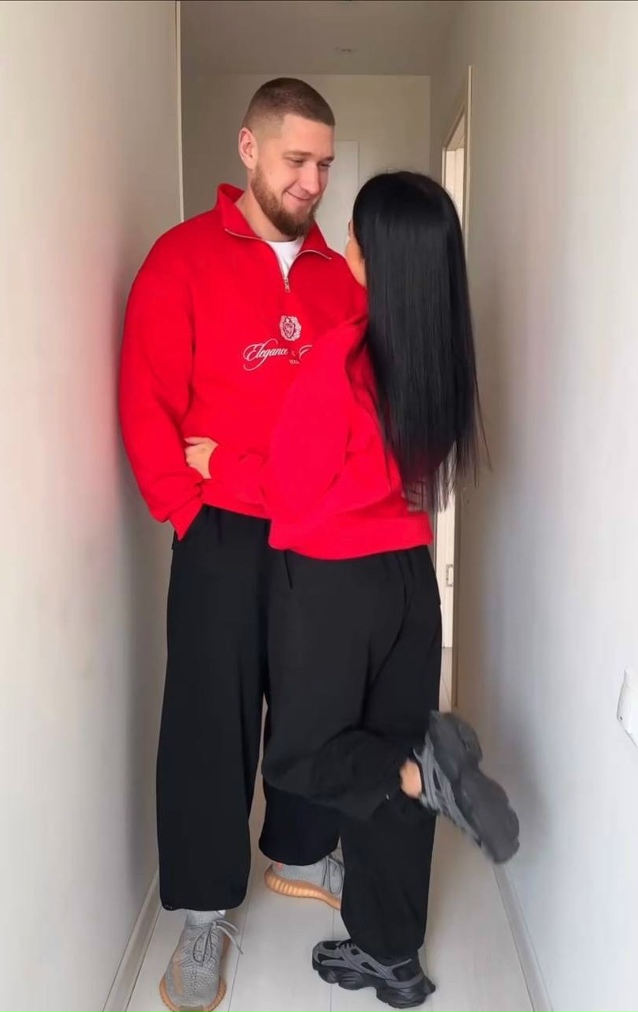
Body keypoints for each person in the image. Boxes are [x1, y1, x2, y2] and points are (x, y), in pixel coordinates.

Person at [186, 171, 520, 1008]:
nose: (343, 245)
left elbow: (289, 494)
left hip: (333, 589)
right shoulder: (442, 361)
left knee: (306, 757)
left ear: (376, 258)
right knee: (383, 763)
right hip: (410, 583)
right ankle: (390, 957)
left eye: (355, 236)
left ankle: (420, 770)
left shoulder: (337, 363)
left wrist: (219, 461)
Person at [118, 79, 365, 1012]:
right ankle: (202, 911)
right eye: (297, 160)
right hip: (219, 529)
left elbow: (359, 415)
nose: (313, 181)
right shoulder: (181, 259)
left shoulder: (340, 280)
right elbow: (146, 399)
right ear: (249, 149)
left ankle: (301, 851)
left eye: (326, 165)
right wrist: (187, 507)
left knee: (317, 702)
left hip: (319, 525)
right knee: (208, 722)